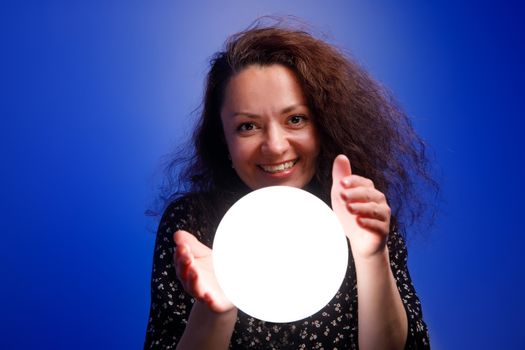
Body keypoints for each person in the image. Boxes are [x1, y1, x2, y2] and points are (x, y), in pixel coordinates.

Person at [145, 21, 436, 349]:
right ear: (222, 139)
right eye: (248, 126)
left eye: (295, 119)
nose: (275, 146)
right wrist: (214, 311)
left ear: (323, 124)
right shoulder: (191, 225)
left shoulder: (361, 212)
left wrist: (371, 255)